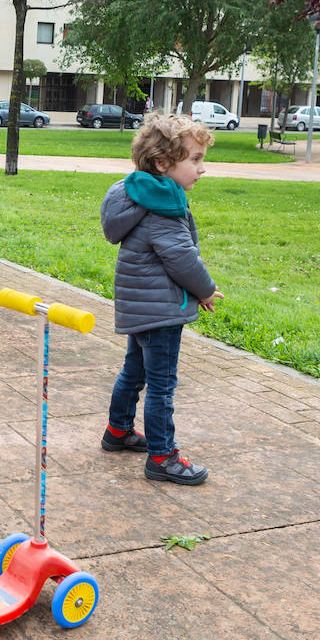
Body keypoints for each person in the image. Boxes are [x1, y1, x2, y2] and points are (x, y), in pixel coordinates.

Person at [100, 115, 222, 485]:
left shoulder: (135, 193)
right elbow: (183, 258)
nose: (202, 169)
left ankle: (118, 431)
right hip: (162, 311)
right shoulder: (164, 206)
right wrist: (205, 290)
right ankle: (162, 457)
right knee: (161, 385)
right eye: (195, 159)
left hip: (141, 307)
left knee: (134, 373)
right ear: (162, 163)